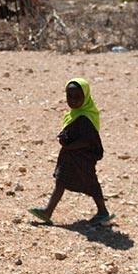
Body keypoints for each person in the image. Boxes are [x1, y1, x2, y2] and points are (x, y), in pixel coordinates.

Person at [28, 78, 113, 225]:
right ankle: (47, 211)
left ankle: (103, 212)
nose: (73, 100)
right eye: (69, 96)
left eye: (77, 97)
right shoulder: (73, 114)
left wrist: (69, 146)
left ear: (85, 97)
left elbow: (89, 140)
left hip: (82, 158)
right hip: (70, 158)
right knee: (61, 181)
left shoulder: (86, 117)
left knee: (91, 183)